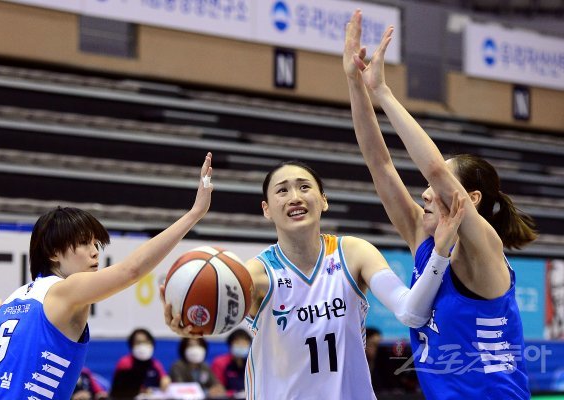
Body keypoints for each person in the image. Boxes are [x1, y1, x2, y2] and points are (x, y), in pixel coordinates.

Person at [343, 9, 537, 399]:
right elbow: (380, 163)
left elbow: (433, 168)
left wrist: (383, 92)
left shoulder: (484, 250)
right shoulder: (424, 237)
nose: (426, 193)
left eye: (437, 187)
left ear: (471, 199)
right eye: (428, 188)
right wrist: (355, 83)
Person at [165, 156, 465, 399]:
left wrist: (440, 253)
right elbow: (215, 313)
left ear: (323, 200)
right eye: (282, 191)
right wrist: (191, 324)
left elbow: (411, 311)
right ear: (266, 210)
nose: (295, 197)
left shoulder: (354, 252)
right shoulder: (255, 274)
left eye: (304, 187)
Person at [0, 153, 214, 400]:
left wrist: (0, 311)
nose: (95, 252)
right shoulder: (65, 289)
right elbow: (131, 271)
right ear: (53, 253)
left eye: (96, 244)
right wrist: (194, 214)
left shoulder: (16, 298)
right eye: (84, 243)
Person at [110, 328, 170, 399]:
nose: (142, 346)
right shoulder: (125, 363)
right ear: (132, 345)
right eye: (138, 342)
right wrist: (142, 390)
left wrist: (165, 380)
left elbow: (164, 378)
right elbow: (118, 390)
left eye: (146, 342)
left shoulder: (155, 363)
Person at [211, 329, 252, 396]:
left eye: (244, 343)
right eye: (237, 342)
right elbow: (218, 390)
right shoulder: (220, 363)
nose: (241, 346)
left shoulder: (251, 363)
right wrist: (234, 394)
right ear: (230, 345)